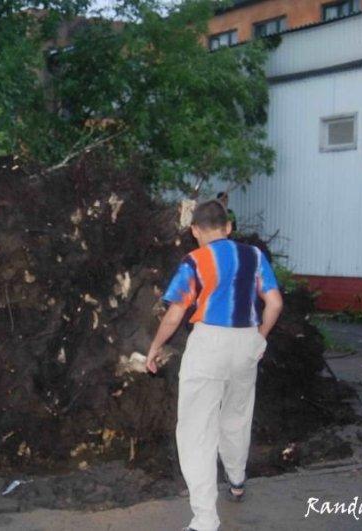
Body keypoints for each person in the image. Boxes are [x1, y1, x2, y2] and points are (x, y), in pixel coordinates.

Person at [146, 200, 283, 531]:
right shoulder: (253, 256)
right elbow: (275, 302)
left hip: (209, 344)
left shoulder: (194, 260)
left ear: (195, 231)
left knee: (196, 429)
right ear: (228, 228)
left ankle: (205, 520)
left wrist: (155, 347)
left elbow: (177, 312)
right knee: (236, 415)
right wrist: (260, 337)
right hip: (246, 340)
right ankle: (236, 480)